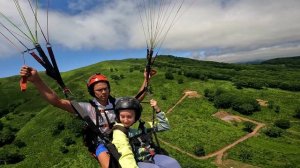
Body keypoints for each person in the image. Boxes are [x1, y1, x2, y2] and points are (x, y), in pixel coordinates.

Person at [19, 66, 152, 168]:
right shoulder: (87, 107)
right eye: (99, 90)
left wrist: (146, 78)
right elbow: (57, 102)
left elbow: (136, 100)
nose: (104, 92)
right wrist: (37, 80)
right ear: (92, 92)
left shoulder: (116, 103)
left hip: (120, 137)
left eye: (106, 88)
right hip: (101, 142)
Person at [112, 97, 181, 168]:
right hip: (136, 161)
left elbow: (164, 126)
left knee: (173, 163)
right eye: (122, 116)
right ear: (118, 115)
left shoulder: (142, 125)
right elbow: (125, 155)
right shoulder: (119, 132)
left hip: (151, 156)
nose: (125, 120)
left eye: (129, 117)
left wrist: (158, 110)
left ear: (136, 116)